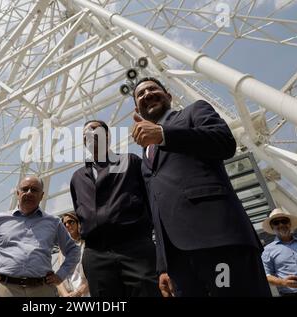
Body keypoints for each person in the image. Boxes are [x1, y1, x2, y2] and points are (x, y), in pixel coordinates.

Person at [132, 77, 271, 297]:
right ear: (137, 108)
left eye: (152, 89)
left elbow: (224, 143)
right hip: (179, 261)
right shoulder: (146, 153)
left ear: (169, 96)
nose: (147, 94)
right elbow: (156, 208)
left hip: (218, 241)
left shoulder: (194, 112)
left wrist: (165, 135)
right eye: (140, 94)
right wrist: (163, 266)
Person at [70, 120, 160, 297]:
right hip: (96, 254)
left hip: (135, 248)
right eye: (85, 132)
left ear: (108, 136)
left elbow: (152, 200)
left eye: (95, 129)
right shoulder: (77, 177)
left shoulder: (130, 162)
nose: (90, 132)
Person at [0, 175, 80, 297]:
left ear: (42, 195)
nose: (29, 193)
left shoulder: (53, 223)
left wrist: (60, 275)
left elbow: (73, 250)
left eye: (34, 190)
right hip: (4, 289)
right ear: (17, 193)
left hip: (41, 290)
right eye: (25, 189)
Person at [262, 208, 297, 297]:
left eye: (284, 221)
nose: (281, 224)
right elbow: (266, 275)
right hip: (289, 294)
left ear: (289, 224)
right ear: (272, 227)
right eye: (276, 223)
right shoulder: (267, 250)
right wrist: (283, 282)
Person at [56, 212, 90, 297]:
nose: (67, 225)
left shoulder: (87, 245)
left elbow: (94, 274)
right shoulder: (62, 250)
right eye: (64, 224)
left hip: (85, 293)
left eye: (71, 221)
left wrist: (78, 293)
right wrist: (65, 295)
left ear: (78, 223)